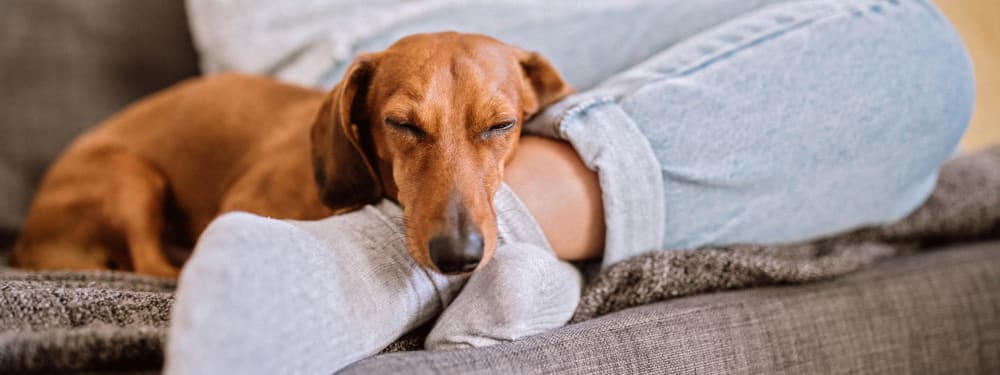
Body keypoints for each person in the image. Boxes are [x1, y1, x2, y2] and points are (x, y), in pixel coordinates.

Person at [167, 0, 973, 373]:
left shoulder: (529, 77)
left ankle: (512, 226)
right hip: (347, 28)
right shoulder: (352, 99)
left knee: (917, 49)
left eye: (498, 131)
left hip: (559, 24)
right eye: (410, 133)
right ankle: (391, 256)